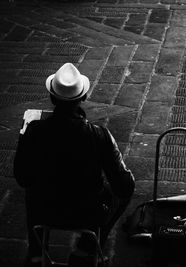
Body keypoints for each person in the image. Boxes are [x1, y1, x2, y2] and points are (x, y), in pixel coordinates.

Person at [14, 63, 135, 267]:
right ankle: (86, 249)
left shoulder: (34, 130)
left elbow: (22, 177)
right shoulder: (99, 135)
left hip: (45, 210)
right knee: (121, 192)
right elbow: (124, 186)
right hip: (87, 213)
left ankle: (36, 253)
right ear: (83, 98)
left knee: (32, 190)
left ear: (52, 98)